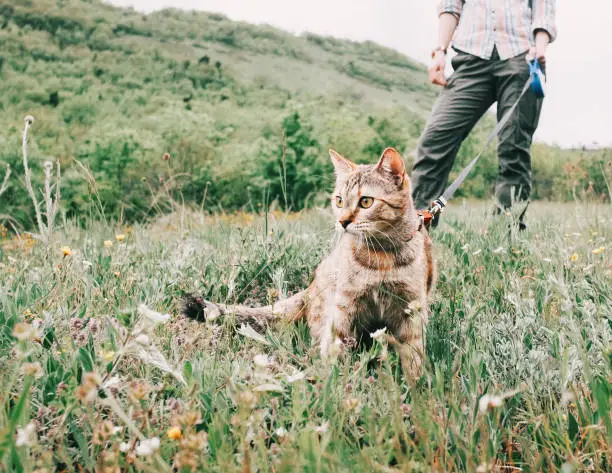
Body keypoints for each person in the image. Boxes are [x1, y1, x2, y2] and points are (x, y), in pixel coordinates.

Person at [411, 0, 557, 228]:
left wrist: (540, 48)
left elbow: (543, 9)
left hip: (521, 57)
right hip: (470, 59)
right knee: (435, 140)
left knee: (514, 148)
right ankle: (417, 228)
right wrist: (440, 50)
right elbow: (450, 6)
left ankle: (506, 233)